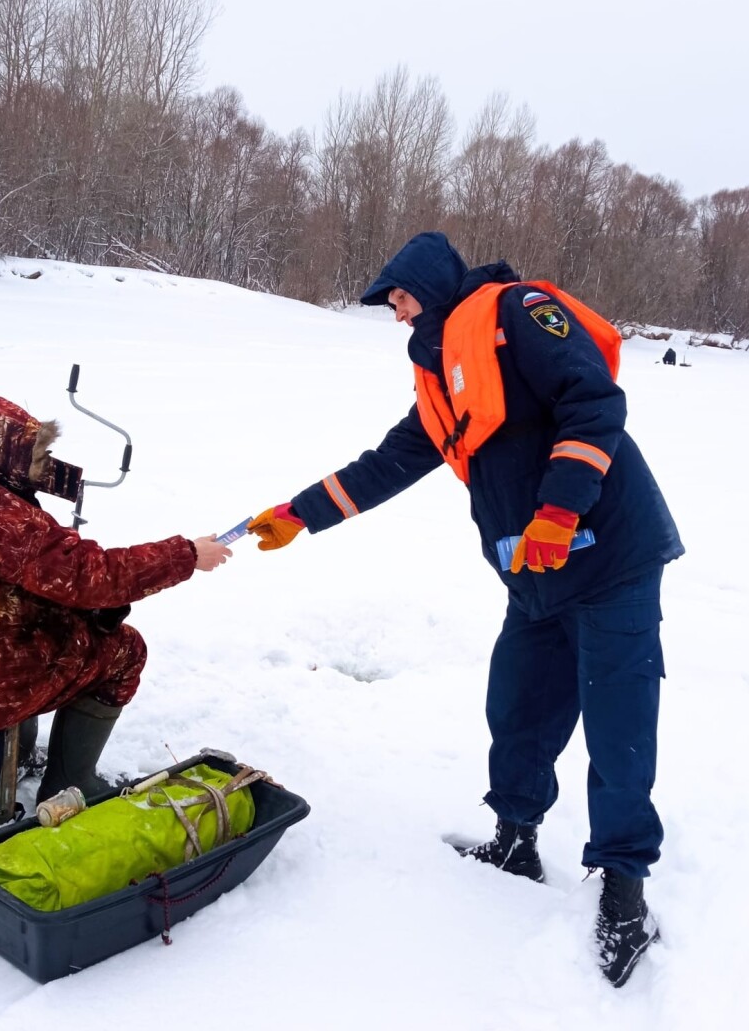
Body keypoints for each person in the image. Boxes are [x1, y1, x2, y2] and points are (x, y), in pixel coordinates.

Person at [247, 232, 683, 987]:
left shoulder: (522, 315)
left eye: (401, 299)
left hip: (610, 555)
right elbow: (388, 463)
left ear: (430, 285)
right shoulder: (445, 377)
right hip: (534, 572)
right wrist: (300, 513)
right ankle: (515, 836)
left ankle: (624, 888)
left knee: (617, 725)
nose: (395, 315)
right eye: (390, 306)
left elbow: (594, 402)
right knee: (516, 707)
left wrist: (558, 508)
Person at [0, 394, 231, 805]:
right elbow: (96, 577)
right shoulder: (0, 519)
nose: (37, 460)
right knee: (125, 650)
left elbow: (33, 573)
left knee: (55, 630)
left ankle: (16, 755)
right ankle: (70, 784)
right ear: (2, 451)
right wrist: (188, 555)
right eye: (28, 451)